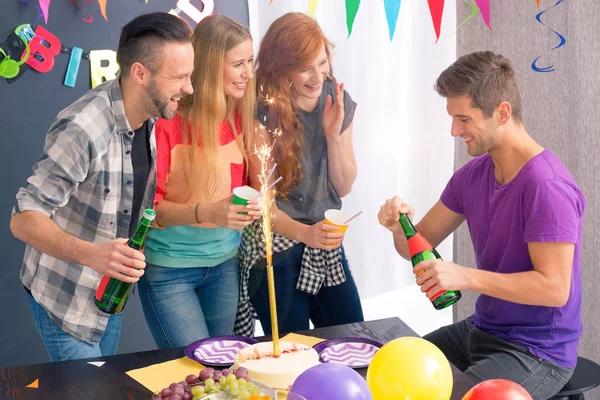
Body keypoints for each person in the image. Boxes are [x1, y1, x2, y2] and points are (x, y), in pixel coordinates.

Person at [378, 51, 584, 399]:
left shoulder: (546, 187)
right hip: (481, 330)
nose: (454, 130)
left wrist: (465, 276)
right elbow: (416, 245)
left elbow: (554, 289)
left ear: (502, 113)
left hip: (535, 352)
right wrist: (400, 228)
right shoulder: (471, 176)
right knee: (389, 373)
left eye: (463, 119)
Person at [9, 12, 194, 361]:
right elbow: (22, 218)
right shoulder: (85, 128)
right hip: (66, 301)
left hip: (109, 297)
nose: (189, 88)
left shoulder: (148, 112)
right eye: (180, 77)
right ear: (140, 73)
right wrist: (92, 255)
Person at [234, 12, 364, 337]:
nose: (317, 76)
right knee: (292, 354)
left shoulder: (335, 97)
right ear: (280, 69)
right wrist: (305, 235)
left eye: (322, 63)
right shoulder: (259, 111)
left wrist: (333, 135)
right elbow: (264, 209)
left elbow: (345, 185)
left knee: (352, 341)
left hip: (323, 243)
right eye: (306, 67)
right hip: (275, 249)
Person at [137, 14, 261, 349]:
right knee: (194, 369)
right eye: (238, 64)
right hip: (169, 272)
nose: (248, 73)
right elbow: (150, 211)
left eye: (251, 61)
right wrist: (207, 212)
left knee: (221, 371)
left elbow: (255, 189)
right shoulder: (165, 124)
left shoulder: (239, 118)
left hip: (225, 265)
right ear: (207, 66)